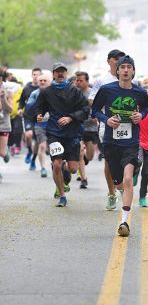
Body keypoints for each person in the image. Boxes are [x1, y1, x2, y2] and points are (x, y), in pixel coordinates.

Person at [92, 55, 148, 237]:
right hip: (111, 141)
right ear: (117, 71)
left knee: (127, 179)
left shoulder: (139, 92)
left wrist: (141, 116)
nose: (125, 70)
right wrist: (106, 119)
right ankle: (120, 187)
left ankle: (124, 221)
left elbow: (146, 109)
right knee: (118, 185)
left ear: (133, 71)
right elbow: (94, 110)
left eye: (128, 67)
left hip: (131, 142)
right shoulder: (107, 90)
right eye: (122, 67)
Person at [35, 62, 90, 207]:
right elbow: (39, 108)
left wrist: (71, 117)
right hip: (54, 132)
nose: (60, 74)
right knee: (56, 164)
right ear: (53, 74)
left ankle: (66, 166)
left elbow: (85, 110)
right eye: (57, 72)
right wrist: (39, 115)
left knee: (72, 169)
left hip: (72, 133)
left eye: (63, 72)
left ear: (66, 74)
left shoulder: (75, 91)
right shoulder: (46, 92)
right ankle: (62, 195)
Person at [89, 49, 125, 210]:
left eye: (122, 59)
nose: (119, 62)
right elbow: (91, 99)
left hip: (127, 126)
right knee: (110, 159)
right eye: (116, 59)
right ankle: (111, 193)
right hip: (107, 124)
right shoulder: (102, 80)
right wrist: (104, 105)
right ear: (109, 61)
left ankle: (124, 182)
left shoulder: (128, 77)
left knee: (126, 158)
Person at [75, 71, 99, 189]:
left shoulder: (92, 94)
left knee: (89, 156)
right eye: (77, 80)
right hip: (78, 126)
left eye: (81, 81)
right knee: (79, 152)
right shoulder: (74, 94)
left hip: (91, 128)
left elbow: (98, 109)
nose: (78, 83)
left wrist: (97, 117)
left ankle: (83, 160)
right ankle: (84, 179)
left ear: (87, 81)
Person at [25, 74, 52, 177]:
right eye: (41, 80)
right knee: (42, 145)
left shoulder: (54, 93)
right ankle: (43, 168)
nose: (42, 82)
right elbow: (28, 109)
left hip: (53, 124)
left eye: (45, 80)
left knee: (51, 147)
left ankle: (55, 163)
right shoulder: (34, 93)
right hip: (40, 124)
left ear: (50, 82)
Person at [18, 67, 42, 167]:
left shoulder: (43, 88)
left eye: (38, 75)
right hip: (28, 116)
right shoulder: (27, 88)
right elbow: (21, 100)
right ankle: (29, 151)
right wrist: (20, 108)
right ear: (32, 75)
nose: (36, 77)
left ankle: (33, 159)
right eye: (34, 74)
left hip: (39, 118)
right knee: (28, 135)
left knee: (37, 141)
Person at [0, 70, 13, 179]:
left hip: (3, 123)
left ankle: (5, 153)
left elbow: (10, 109)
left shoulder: (8, 90)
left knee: (2, 152)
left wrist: (3, 98)